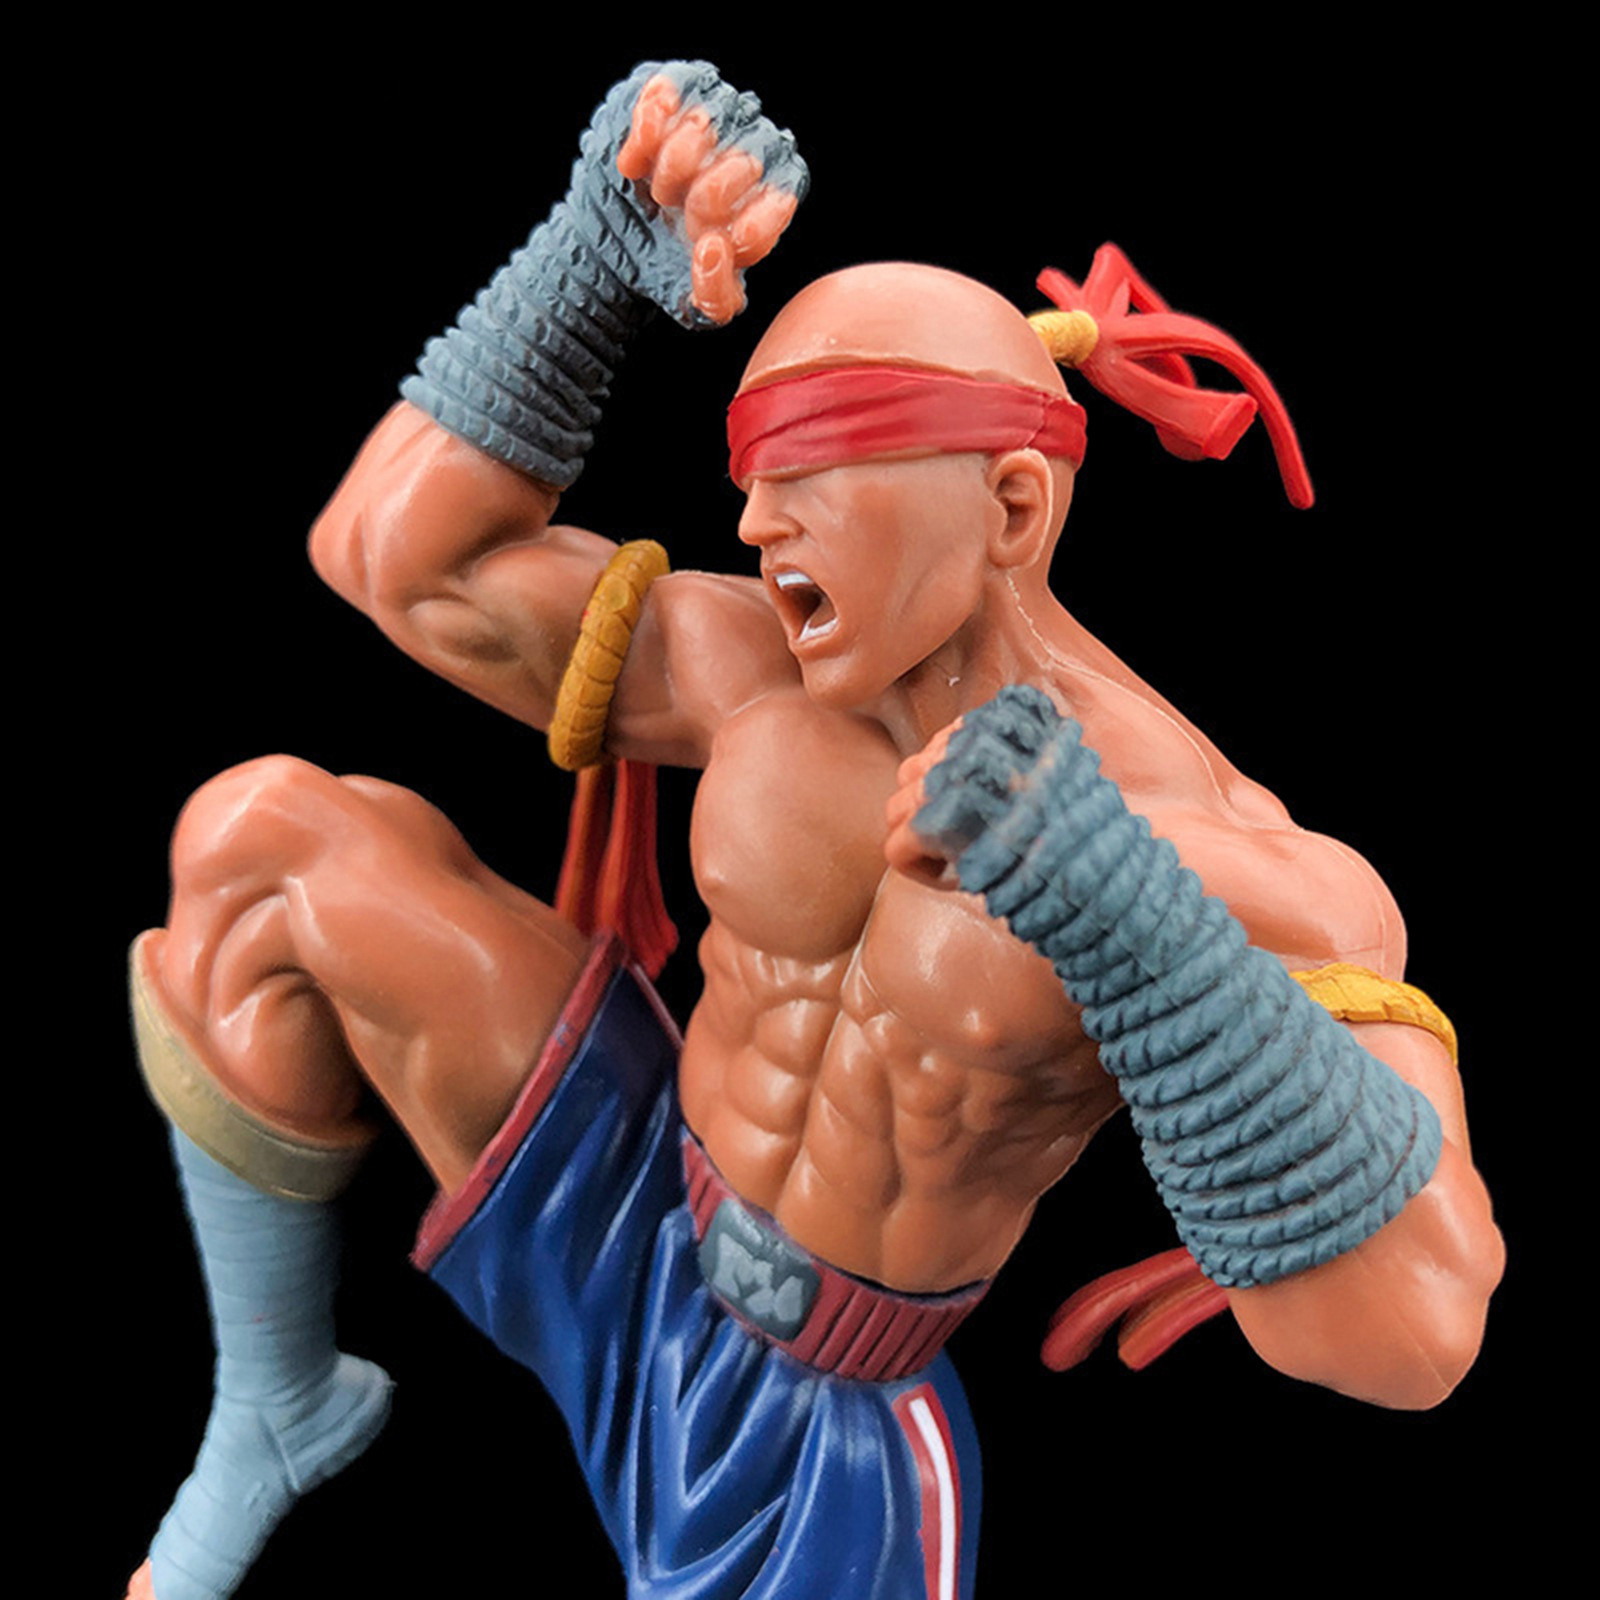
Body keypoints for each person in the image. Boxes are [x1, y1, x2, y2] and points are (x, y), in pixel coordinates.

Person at [125, 61, 1503, 1600]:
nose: (757, 527)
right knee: (261, 842)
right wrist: (586, 262)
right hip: (635, 1196)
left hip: (823, 1421)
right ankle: (276, 1407)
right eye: (760, 477)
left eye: (821, 480)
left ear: (1011, 510)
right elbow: (393, 564)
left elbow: (1414, 1339)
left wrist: (1129, 911)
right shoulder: (754, 671)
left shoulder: (1232, 855)